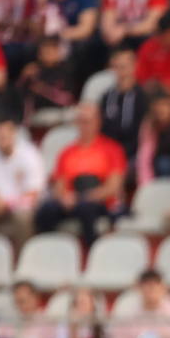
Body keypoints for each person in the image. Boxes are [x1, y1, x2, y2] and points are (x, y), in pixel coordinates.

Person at [35, 103, 128, 245]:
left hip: (99, 202)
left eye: (87, 121)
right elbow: (59, 186)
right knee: (46, 209)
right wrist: (64, 198)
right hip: (73, 201)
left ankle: (92, 251)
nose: (83, 126)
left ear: (98, 122)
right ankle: (48, 249)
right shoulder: (66, 153)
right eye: (80, 121)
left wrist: (82, 197)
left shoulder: (112, 149)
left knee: (86, 208)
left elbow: (113, 188)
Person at [0, 113, 46, 245]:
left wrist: (7, 204)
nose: (2, 138)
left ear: (14, 133)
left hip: (21, 207)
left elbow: (33, 194)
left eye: (5, 134)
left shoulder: (30, 155)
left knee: (22, 217)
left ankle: (23, 259)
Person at [100, 47, 153, 168]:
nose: (121, 72)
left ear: (134, 67)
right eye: (116, 67)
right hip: (109, 152)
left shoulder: (143, 96)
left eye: (124, 67)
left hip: (135, 152)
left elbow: (145, 133)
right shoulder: (106, 96)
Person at [98, 0, 167, 51]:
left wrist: (125, 30)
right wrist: (110, 31)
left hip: (143, 32)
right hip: (119, 31)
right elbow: (107, 17)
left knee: (149, 40)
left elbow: (153, 23)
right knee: (99, 42)